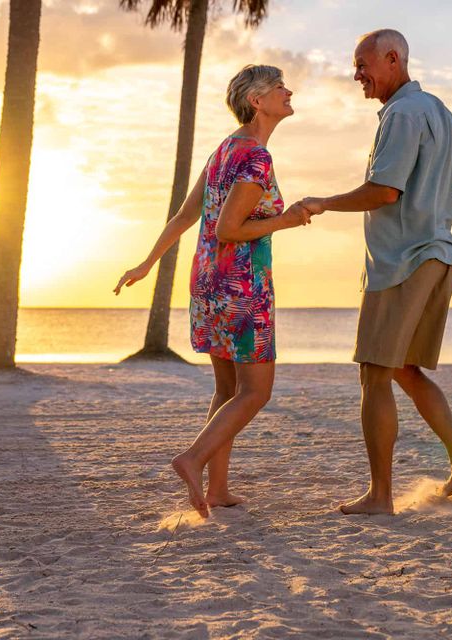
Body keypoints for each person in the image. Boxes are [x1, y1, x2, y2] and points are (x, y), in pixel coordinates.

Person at [296, 29, 452, 515]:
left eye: (362, 65)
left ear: (393, 59)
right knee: (405, 368)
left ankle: (380, 496)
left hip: (403, 260)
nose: (356, 75)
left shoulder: (402, 114)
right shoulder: (441, 111)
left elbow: (383, 192)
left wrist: (322, 202)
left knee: (374, 374)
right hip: (438, 256)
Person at [115, 64, 313, 517]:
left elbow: (185, 216)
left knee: (227, 389)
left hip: (207, 282)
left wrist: (148, 262)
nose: (288, 91)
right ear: (257, 101)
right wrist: (288, 218)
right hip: (242, 288)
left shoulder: (223, 149)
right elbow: (228, 228)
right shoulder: (256, 158)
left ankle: (219, 488)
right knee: (256, 392)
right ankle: (192, 458)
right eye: (278, 87)